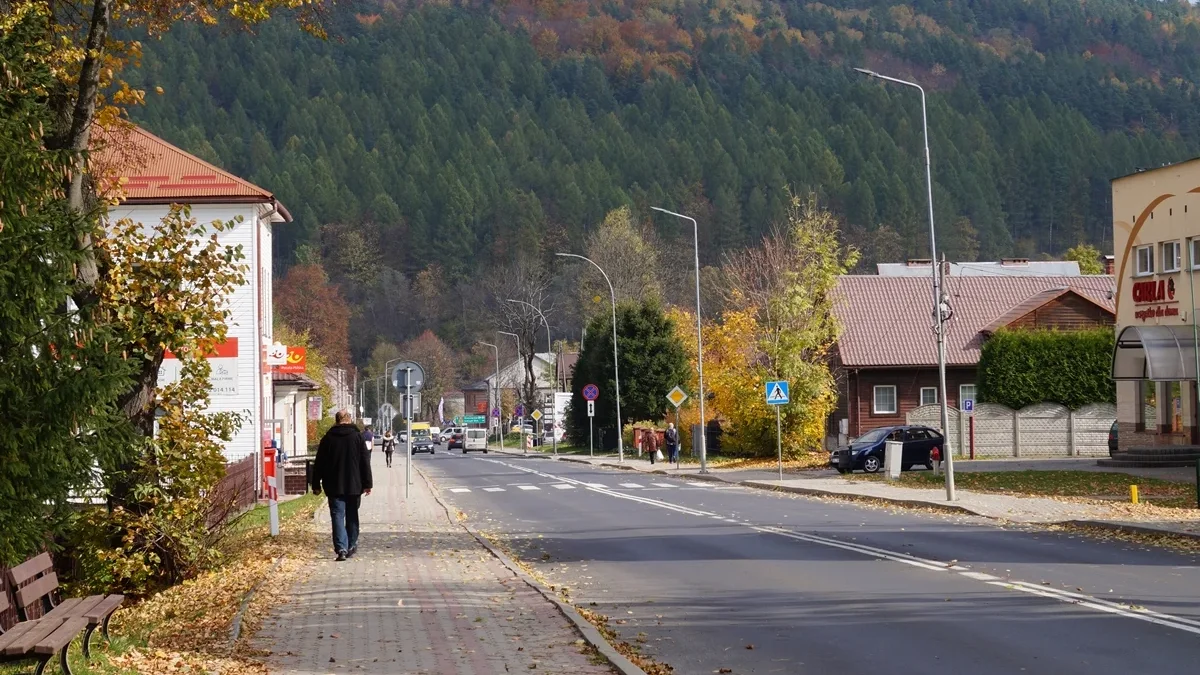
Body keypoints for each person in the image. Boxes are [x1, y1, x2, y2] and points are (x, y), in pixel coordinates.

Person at [312, 410, 373, 561]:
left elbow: (319, 463)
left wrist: (316, 484)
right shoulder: (357, 437)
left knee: (337, 515)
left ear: (337, 420)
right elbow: (365, 461)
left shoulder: (327, 439)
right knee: (352, 514)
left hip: (333, 485)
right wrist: (367, 484)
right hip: (354, 484)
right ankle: (351, 544)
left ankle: (341, 548)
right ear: (349, 420)